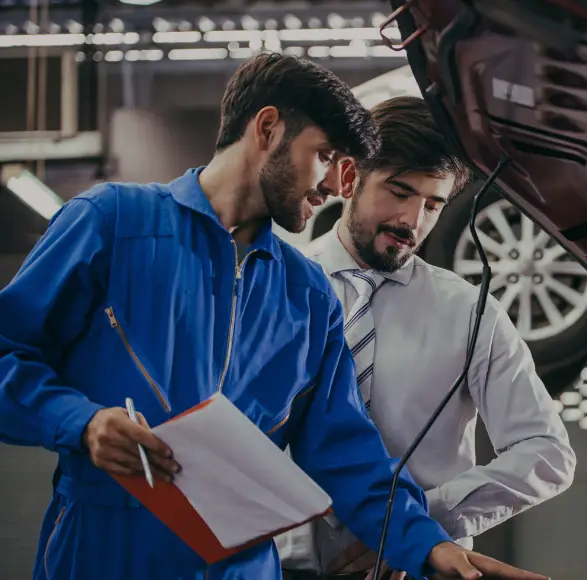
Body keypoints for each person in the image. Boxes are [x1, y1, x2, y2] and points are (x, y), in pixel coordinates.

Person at [0, 53, 549, 580]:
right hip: (105, 553)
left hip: (242, 567)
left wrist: (428, 546)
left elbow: (346, 453)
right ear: (267, 128)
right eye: (328, 156)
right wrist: (81, 422)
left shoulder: (306, 293)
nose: (339, 184)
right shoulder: (113, 224)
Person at [275, 97, 577, 579]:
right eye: (399, 192)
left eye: (433, 205)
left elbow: (547, 453)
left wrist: (415, 526)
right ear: (350, 177)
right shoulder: (275, 288)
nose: (412, 222)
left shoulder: (469, 313)